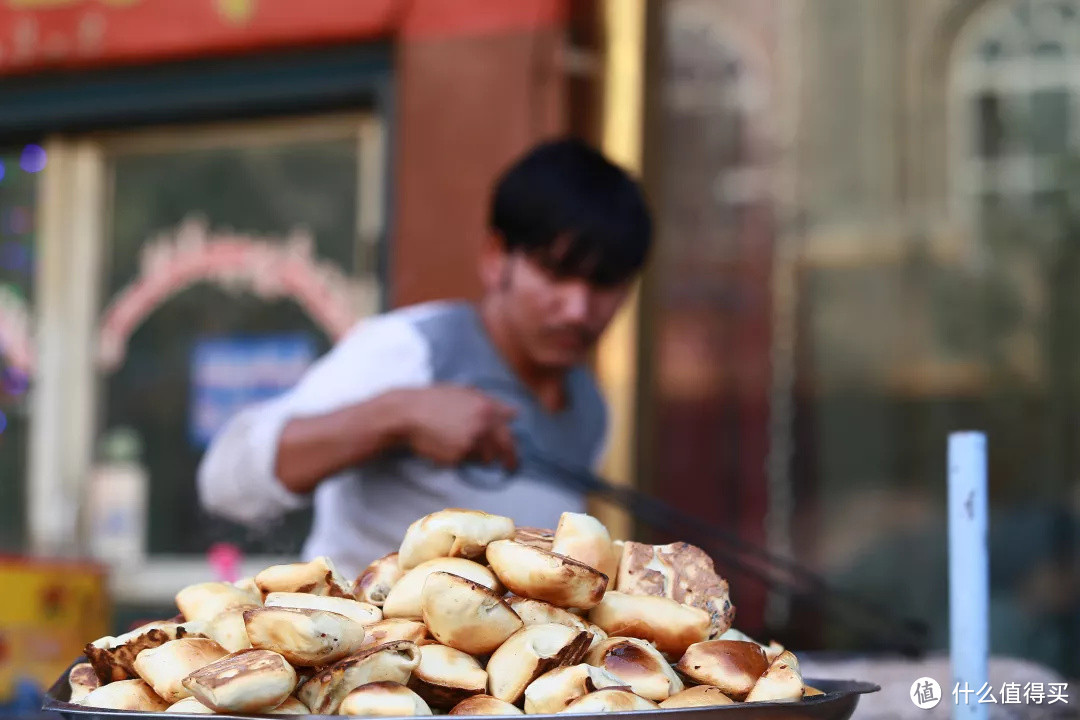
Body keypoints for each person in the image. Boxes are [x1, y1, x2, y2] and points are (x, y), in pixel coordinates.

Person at [197, 138, 653, 576]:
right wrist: (397, 415)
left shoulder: (594, 413)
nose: (578, 309)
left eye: (604, 283)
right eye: (555, 272)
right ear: (496, 257)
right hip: (351, 647)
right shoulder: (409, 349)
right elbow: (225, 480)